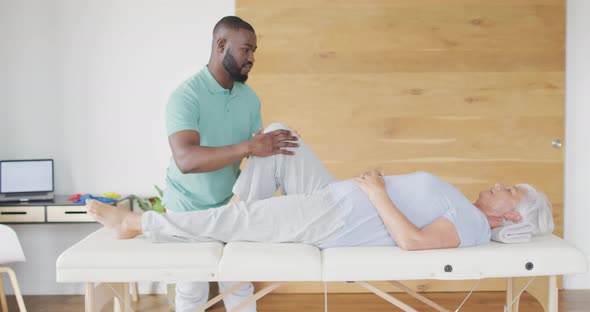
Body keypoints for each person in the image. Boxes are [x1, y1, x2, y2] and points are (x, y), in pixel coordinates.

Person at [88, 123, 555, 254]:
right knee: (280, 134)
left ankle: (135, 223)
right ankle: (234, 223)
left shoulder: (472, 226)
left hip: (339, 216)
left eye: (508, 191)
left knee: (244, 217)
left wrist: (376, 192)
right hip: (339, 196)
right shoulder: (468, 211)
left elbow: (412, 243)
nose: (497, 185)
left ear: (510, 217)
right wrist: (372, 188)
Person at [163, 16, 298, 312]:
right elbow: (186, 160)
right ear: (220, 45)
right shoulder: (186, 97)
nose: (251, 59)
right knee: (192, 292)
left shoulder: (249, 99)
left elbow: (255, 157)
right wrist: (250, 146)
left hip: (229, 205)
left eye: (254, 51)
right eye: (246, 50)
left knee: (240, 288)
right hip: (186, 208)